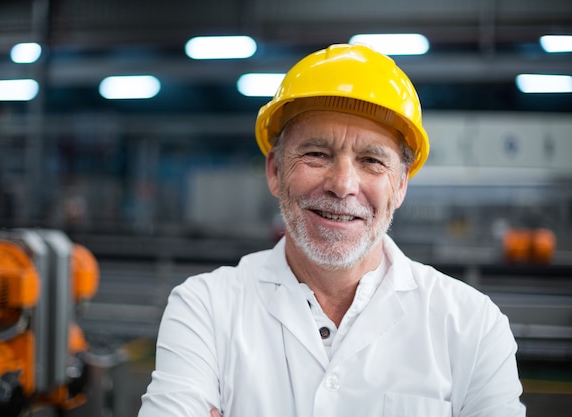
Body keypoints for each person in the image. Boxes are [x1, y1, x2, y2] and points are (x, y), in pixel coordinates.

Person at [138, 44, 526, 417]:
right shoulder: (205, 308)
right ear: (275, 171)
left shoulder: (472, 326)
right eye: (317, 154)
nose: (342, 184)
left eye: (372, 160)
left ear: (401, 185)